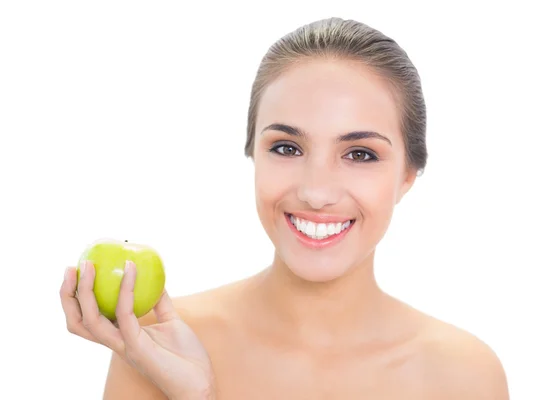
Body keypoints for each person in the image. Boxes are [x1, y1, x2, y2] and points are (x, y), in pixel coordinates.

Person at [60, 17, 509, 399]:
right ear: (253, 153)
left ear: (408, 175)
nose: (316, 192)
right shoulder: (156, 347)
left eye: (360, 154)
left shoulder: (464, 375)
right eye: (288, 147)